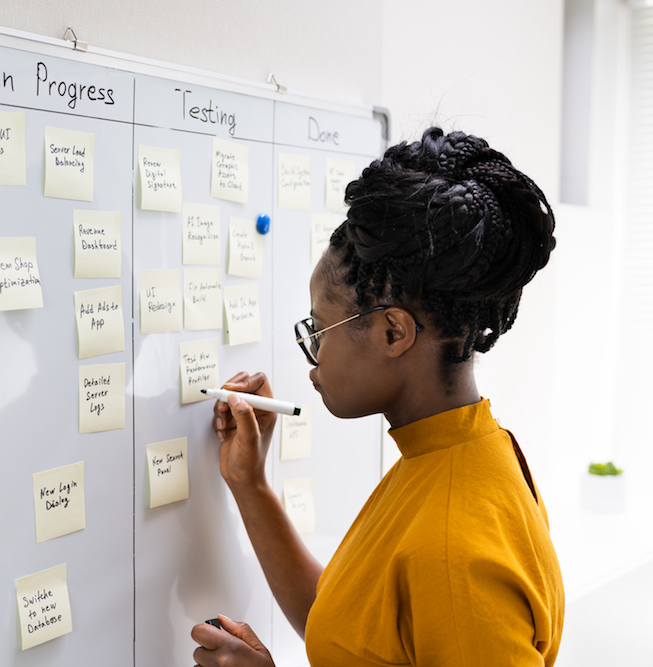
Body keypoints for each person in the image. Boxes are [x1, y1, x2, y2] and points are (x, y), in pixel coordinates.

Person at [191, 128, 565, 666]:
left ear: (394, 332)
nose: (311, 353)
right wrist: (249, 484)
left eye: (319, 330)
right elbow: (354, 631)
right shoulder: (457, 452)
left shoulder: (456, 546)